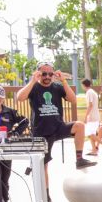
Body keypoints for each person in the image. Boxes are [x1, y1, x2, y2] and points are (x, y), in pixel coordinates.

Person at [16, 63, 96, 191]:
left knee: (79, 126)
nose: (47, 77)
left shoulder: (57, 87)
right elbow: (19, 97)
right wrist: (32, 80)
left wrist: (64, 81)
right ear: (38, 74)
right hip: (41, 132)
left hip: (58, 127)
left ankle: (79, 159)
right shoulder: (34, 87)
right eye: (43, 74)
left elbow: (73, 99)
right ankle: (45, 195)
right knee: (43, 165)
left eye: (50, 74)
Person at [82, 79, 101, 155]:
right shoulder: (93, 92)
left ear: (83, 85)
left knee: (89, 134)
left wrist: (86, 116)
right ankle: (94, 150)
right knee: (91, 134)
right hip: (95, 115)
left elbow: (90, 105)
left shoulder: (89, 92)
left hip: (92, 116)